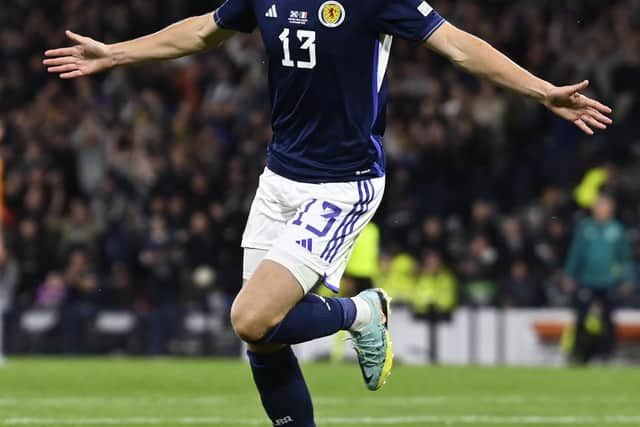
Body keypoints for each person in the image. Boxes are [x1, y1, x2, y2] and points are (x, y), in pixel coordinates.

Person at [44, 2, 612, 424]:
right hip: (279, 179)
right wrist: (117, 52)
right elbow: (203, 31)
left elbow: (459, 45)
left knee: (249, 318)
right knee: (263, 341)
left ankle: (362, 313)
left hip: (343, 185)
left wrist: (542, 91)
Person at [564, 191, 636, 363]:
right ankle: (578, 354)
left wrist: (628, 279)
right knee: (581, 317)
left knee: (608, 320)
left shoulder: (617, 229)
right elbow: (576, 253)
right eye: (599, 205)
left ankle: (606, 355)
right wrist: (569, 275)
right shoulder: (585, 227)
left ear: (611, 208)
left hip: (609, 281)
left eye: (605, 205)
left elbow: (625, 258)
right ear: (593, 208)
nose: (601, 208)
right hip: (587, 280)